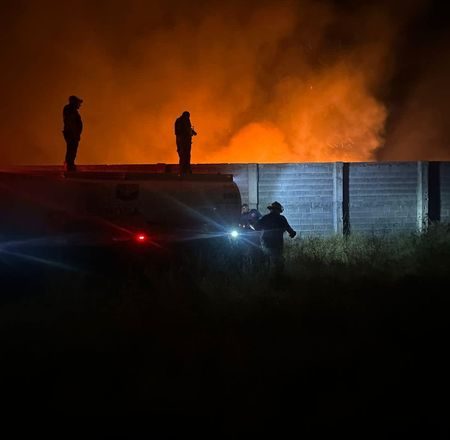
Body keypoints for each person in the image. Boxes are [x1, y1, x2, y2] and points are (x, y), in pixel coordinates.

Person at [254, 201, 296, 279]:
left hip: (266, 242)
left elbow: (256, 227)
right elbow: (290, 230)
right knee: (278, 261)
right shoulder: (281, 218)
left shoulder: (265, 218)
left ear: (271, 209)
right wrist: (292, 233)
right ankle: (276, 278)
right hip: (277, 244)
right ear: (279, 210)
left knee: (267, 260)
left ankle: (265, 276)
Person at [63, 95, 83, 172]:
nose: (79, 105)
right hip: (71, 133)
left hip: (72, 133)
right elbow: (71, 123)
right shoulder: (70, 110)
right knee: (71, 149)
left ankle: (69, 164)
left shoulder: (70, 110)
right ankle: (69, 166)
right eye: (78, 103)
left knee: (71, 149)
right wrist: (75, 134)